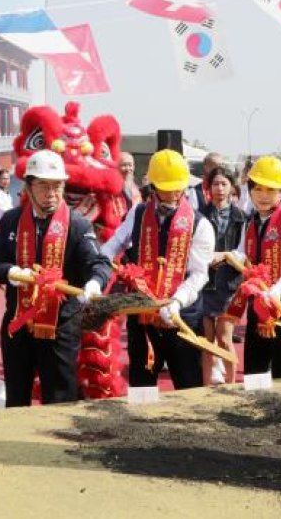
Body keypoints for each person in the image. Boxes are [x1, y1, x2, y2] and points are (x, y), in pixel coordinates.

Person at [0, 150, 112, 407]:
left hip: (60, 327)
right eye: (43, 186)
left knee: (60, 400)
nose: (51, 194)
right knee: (17, 399)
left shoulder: (77, 224)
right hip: (18, 324)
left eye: (57, 186)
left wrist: (94, 283)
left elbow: (99, 263)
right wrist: (12, 272)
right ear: (28, 187)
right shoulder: (11, 221)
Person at [101, 150, 214, 390]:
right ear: (153, 186)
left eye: (178, 187)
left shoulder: (200, 223)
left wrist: (176, 301)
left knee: (188, 385)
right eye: (167, 187)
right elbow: (112, 247)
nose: (174, 193)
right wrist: (97, 271)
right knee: (142, 387)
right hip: (142, 315)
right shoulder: (138, 213)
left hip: (181, 316)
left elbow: (199, 273)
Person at [215, 155, 281, 378]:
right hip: (260, 308)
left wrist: (279, 288)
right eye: (257, 189)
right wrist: (223, 256)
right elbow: (244, 253)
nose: (263, 196)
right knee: (254, 376)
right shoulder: (252, 220)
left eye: (270, 190)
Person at [198, 166, 246, 385]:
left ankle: (232, 385)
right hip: (204, 285)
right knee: (206, 342)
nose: (219, 188)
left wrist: (225, 256)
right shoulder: (200, 215)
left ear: (232, 188)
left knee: (225, 339)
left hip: (230, 284)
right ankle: (206, 387)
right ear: (209, 188)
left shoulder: (241, 217)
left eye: (223, 184)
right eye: (215, 184)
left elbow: (244, 251)